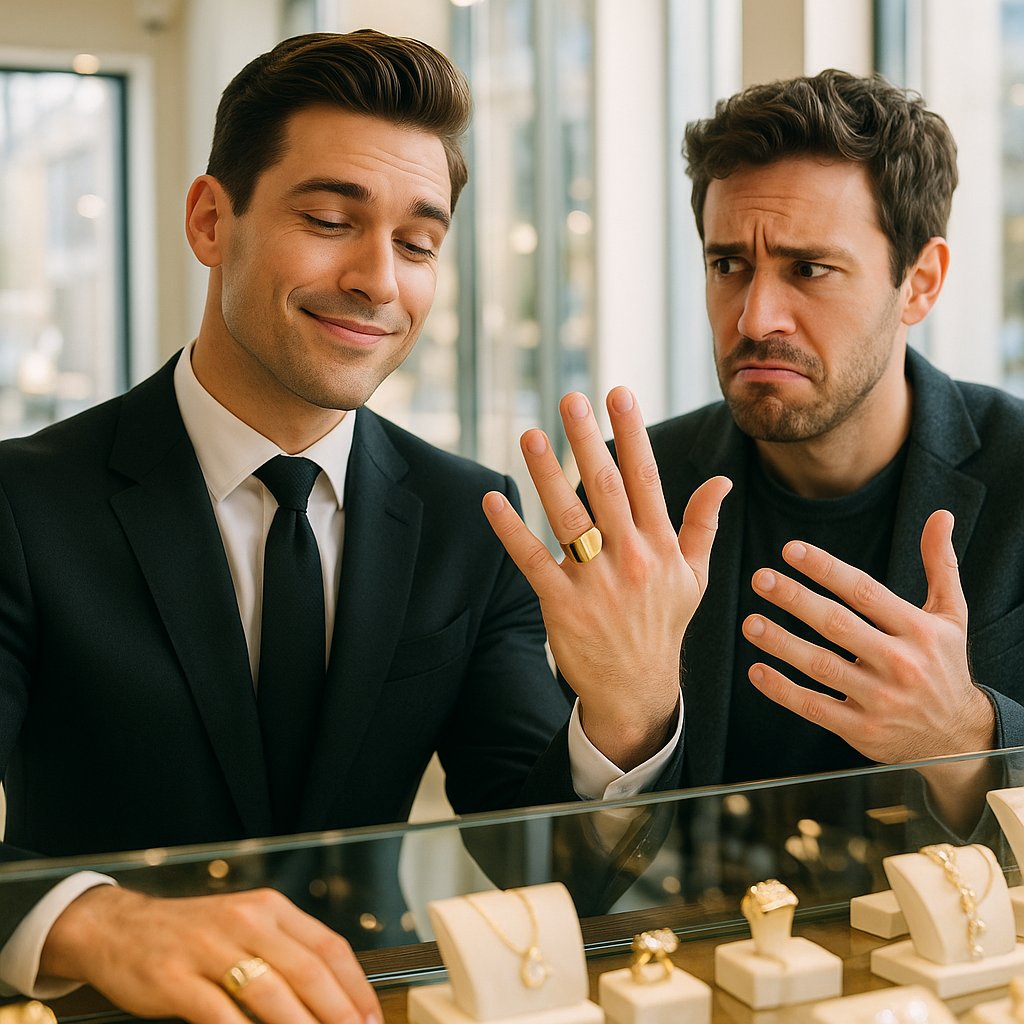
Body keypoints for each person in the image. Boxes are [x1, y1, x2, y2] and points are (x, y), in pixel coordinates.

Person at [0, 29, 730, 1024]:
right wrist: (94, 919)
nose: (379, 281)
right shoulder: (24, 503)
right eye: (331, 218)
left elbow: (553, 867)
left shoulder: (466, 519)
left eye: (418, 243)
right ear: (212, 220)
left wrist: (629, 705)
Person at [488, 69, 1024, 827]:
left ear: (920, 282)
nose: (754, 317)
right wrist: (625, 723)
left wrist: (969, 738)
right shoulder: (640, 497)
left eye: (809, 269)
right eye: (727, 265)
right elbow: (561, 882)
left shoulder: (1017, 473)